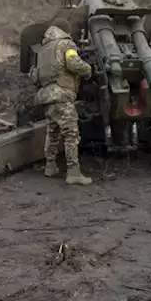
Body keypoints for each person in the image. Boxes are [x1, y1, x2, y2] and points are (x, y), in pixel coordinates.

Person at [34, 19, 94, 185]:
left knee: (53, 132)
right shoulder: (65, 44)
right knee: (71, 133)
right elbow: (74, 63)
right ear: (65, 31)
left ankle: (50, 166)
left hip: (47, 96)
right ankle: (73, 172)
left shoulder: (44, 49)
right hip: (61, 94)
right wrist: (88, 70)